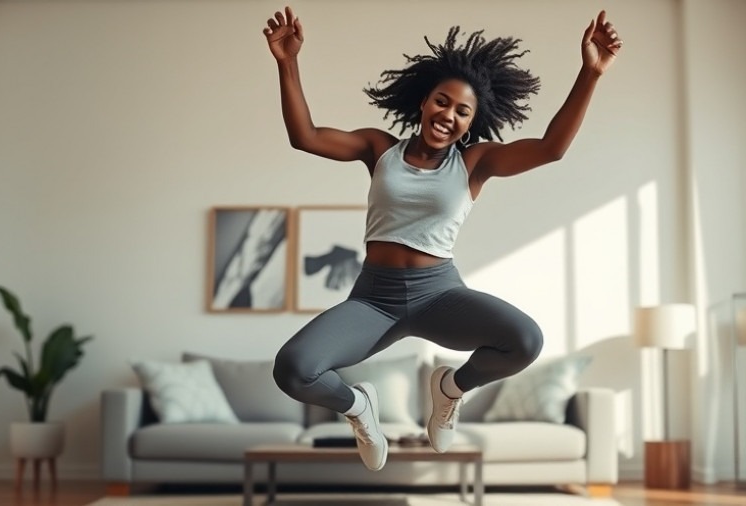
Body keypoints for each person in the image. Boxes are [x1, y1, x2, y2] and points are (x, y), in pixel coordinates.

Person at [262, 5, 623, 471]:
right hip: (374, 301)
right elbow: (305, 136)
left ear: (471, 123)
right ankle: (359, 407)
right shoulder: (379, 149)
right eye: (442, 101)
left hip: (440, 295)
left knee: (525, 340)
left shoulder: (474, 163)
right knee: (292, 368)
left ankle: (451, 389)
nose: (448, 114)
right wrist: (287, 62)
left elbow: (550, 149)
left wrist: (589, 74)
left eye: (462, 111)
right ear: (423, 102)